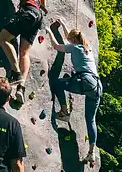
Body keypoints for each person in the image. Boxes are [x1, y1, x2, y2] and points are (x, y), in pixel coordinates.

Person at [46, 19, 102, 166]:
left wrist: (49, 31)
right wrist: (64, 25)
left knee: (57, 84)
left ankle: (64, 111)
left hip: (85, 81)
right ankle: (91, 153)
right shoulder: (86, 46)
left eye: (70, 39)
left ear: (73, 40)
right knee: (91, 120)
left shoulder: (75, 47)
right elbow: (68, 38)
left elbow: (57, 46)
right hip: (97, 86)